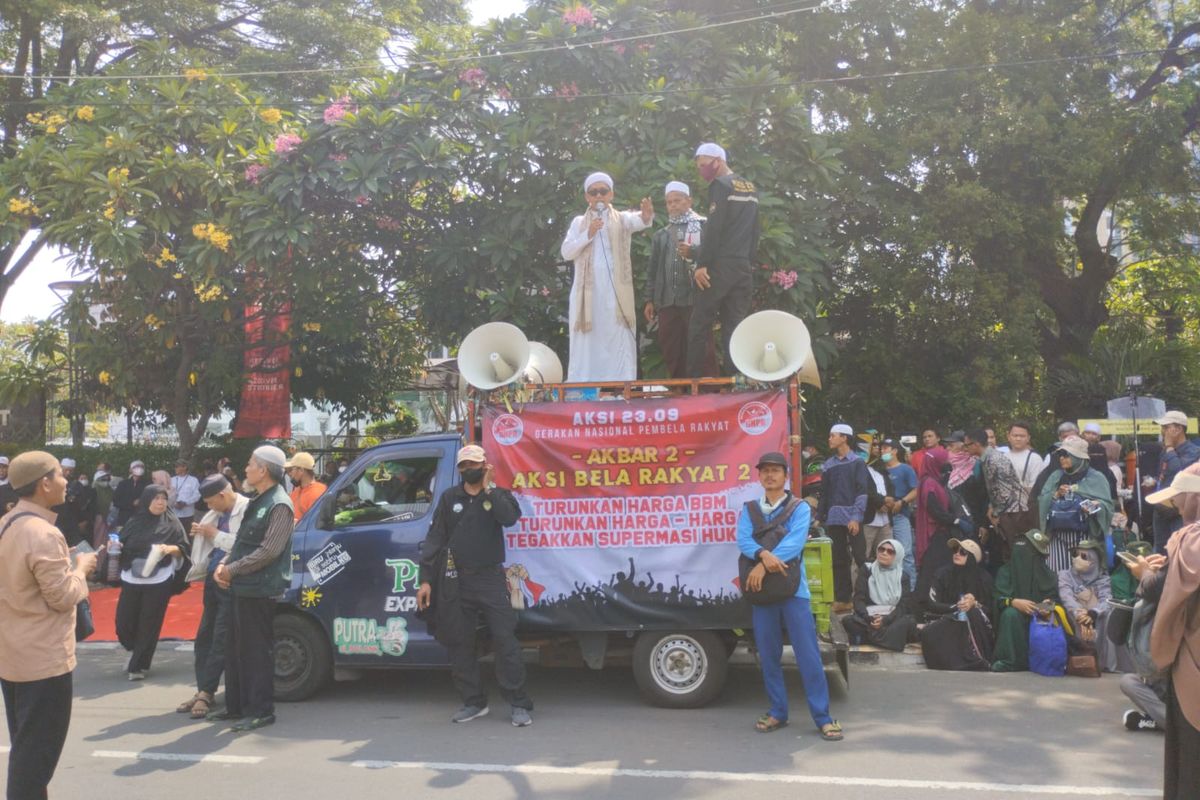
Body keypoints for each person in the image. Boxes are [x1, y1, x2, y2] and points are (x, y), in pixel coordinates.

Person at [0, 451, 97, 800]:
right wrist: (82, 567)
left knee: (27, 750)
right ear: (44, 483)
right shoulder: (43, 533)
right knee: (34, 760)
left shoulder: (8, 522)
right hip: (44, 661)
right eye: (60, 475)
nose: (66, 480)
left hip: (12, 656)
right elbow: (62, 595)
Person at [417, 445, 532, 726]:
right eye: (465, 465)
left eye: (475, 464)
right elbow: (435, 539)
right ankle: (473, 701)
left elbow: (510, 518)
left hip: (490, 578)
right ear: (459, 470)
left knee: (505, 639)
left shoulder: (497, 495)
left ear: (485, 466)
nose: (470, 469)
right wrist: (426, 581)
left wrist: (489, 487)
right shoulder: (449, 499)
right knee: (460, 641)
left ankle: (519, 704)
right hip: (456, 580)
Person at [737, 451, 842, 739]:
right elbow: (743, 538)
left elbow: (795, 544)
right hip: (763, 594)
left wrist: (761, 565)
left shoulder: (799, 507)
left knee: (807, 655)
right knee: (768, 655)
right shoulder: (749, 509)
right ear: (759, 476)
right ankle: (777, 712)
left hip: (794, 591)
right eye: (765, 471)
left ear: (786, 475)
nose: (770, 475)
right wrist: (762, 554)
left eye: (775, 470)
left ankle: (822, 716)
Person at [209, 445, 295, 732]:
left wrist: (231, 569)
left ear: (264, 470)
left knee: (256, 653)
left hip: (260, 589)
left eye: (250, 464)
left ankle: (261, 710)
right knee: (234, 650)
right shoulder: (259, 500)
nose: (245, 469)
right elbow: (243, 543)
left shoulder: (279, 504)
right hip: (242, 587)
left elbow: (269, 551)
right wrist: (225, 564)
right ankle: (235, 707)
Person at [560, 171, 654, 382]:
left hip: (614, 295)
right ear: (587, 197)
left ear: (611, 194)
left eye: (603, 191)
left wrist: (647, 215)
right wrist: (588, 234)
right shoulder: (578, 223)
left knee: (615, 336)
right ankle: (584, 386)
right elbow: (566, 252)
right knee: (587, 339)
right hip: (587, 296)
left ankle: (619, 387)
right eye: (594, 192)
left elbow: (641, 221)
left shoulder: (622, 219)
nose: (599, 196)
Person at [1143, 465, 1200, 797]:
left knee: (1190, 757)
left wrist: (1143, 575)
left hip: (1192, 662)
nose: (1178, 510)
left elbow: (1161, 590)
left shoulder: (1191, 540)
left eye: (1180, 503)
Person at [177, 474, 248, 720]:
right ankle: (202, 690)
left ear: (222, 495)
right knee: (204, 637)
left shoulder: (245, 509)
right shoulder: (217, 514)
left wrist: (212, 533)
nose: (208, 507)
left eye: (209, 502)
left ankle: (207, 692)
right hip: (211, 576)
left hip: (230, 579)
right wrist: (204, 532)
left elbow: (244, 546)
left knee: (220, 636)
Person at [687, 142, 759, 378]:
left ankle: (693, 385)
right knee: (735, 327)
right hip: (742, 268)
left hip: (719, 267)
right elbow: (754, 230)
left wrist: (702, 264)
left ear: (718, 161)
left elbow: (715, 228)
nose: (702, 171)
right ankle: (735, 383)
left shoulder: (720, 184)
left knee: (699, 324)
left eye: (704, 165)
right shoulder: (750, 186)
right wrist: (749, 262)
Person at [643, 181, 716, 378]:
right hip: (668, 301)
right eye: (669, 202)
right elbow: (653, 269)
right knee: (671, 347)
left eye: (677, 200)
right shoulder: (662, 234)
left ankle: (708, 393)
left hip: (696, 298)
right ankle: (680, 393)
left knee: (702, 346)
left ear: (688, 201)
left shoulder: (703, 226)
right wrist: (650, 299)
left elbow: (716, 258)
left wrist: (694, 252)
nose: (673, 205)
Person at [115, 485, 188, 680]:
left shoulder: (172, 523)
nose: (160, 502)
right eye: (156, 498)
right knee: (123, 622)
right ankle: (133, 650)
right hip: (132, 576)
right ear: (147, 500)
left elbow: (183, 548)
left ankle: (138, 665)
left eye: (163, 498)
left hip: (159, 578)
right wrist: (116, 545)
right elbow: (122, 543)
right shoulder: (134, 521)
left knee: (149, 622)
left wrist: (169, 549)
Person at [1037, 435, 1114, 572]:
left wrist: (1093, 506)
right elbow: (1042, 501)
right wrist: (1056, 494)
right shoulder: (1056, 476)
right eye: (1060, 454)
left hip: (1085, 538)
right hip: (1057, 538)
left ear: (1079, 457)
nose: (1062, 458)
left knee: (1085, 577)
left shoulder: (1096, 478)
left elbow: (1107, 506)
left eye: (1066, 454)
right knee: (1057, 576)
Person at [816, 423, 871, 612]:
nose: (829, 439)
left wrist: (856, 517)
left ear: (844, 438)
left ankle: (866, 599)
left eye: (833, 435)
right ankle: (844, 599)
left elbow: (862, 492)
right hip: (833, 518)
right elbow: (824, 493)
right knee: (838, 559)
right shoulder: (828, 465)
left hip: (852, 517)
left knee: (860, 557)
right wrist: (819, 517)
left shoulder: (857, 462)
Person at [918, 538, 995, 670]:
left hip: (976, 621)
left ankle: (978, 659)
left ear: (971, 557)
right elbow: (931, 603)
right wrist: (957, 607)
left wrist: (975, 604)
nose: (957, 554)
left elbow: (991, 609)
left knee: (972, 613)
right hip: (948, 617)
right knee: (929, 632)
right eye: (955, 550)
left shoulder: (984, 579)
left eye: (963, 552)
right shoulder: (943, 573)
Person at [991, 529, 1059, 672]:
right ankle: (1010, 660)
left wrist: (1047, 605)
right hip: (1015, 618)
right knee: (1010, 614)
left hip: (1039, 617)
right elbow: (997, 598)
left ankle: (1043, 660)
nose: (1021, 555)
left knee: (1050, 619)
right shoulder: (1005, 572)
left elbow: (1056, 601)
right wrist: (1014, 602)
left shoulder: (1049, 576)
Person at [964, 427, 1031, 562]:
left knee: (1016, 555)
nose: (965, 449)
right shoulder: (986, 459)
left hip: (1015, 513)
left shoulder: (995, 459)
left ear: (976, 444)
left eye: (967, 445)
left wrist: (995, 513)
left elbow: (1005, 493)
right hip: (1006, 512)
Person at [842, 538, 916, 652]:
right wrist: (869, 618)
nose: (884, 553)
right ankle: (891, 639)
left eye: (890, 551)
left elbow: (903, 606)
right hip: (869, 618)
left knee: (909, 622)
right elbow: (859, 599)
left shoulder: (903, 576)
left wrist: (885, 620)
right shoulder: (867, 569)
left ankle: (868, 638)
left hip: (891, 619)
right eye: (881, 549)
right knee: (848, 621)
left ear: (897, 556)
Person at [1057, 539, 1117, 672]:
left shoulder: (1103, 579)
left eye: (1083, 556)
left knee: (1110, 612)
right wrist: (1081, 614)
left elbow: (1106, 600)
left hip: (1095, 617)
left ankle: (1103, 662)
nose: (1077, 559)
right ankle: (1077, 660)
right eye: (1075, 554)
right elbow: (1066, 597)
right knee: (1065, 613)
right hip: (1075, 617)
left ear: (1093, 561)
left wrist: (1093, 613)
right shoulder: (1065, 576)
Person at [1152, 410, 1200, 554]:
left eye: (1166, 427)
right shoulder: (1165, 451)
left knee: (1179, 550)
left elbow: (1179, 472)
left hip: (1178, 511)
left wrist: (1170, 449)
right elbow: (1164, 474)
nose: (1163, 431)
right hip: (1161, 508)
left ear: (1178, 429)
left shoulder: (1195, 452)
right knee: (1160, 552)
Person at [881, 438, 918, 590]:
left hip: (900, 515)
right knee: (886, 554)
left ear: (895, 451)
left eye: (886, 448)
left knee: (906, 553)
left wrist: (902, 502)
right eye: (882, 448)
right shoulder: (879, 470)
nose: (883, 451)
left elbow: (916, 490)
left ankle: (911, 590)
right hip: (882, 518)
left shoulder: (905, 469)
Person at [285, 452, 327, 522]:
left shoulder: (317, 493)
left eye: (291, 470)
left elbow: (315, 524)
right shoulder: (296, 491)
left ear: (301, 470)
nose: (290, 474)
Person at [1005, 422, 1042, 496]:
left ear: (1028, 438)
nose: (1018, 438)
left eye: (1022, 436)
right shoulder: (1002, 457)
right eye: (1015, 435)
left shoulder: (1034, 458)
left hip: (1025, 504)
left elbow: (1036, 488)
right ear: (1008, 437)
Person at [112, 460, 150, 526]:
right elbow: (116, 501)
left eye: (141, 467)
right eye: (136, 466)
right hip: (124, 519)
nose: (139, 468)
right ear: (130, 470)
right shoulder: (123, 484)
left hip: (141, 519)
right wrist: (131, 503)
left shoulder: (148, 484)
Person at [170, 459, 201, 535]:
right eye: (175, 466)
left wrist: (186, 503)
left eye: (177, 466)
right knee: (174, 535)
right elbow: (167, 494)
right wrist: (174, 503)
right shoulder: (171, 480)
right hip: (173, 513)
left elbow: (197, 495)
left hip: (188, 514)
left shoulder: (193, 480)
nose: (175, 468)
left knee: (187, 535)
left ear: (184, 467)